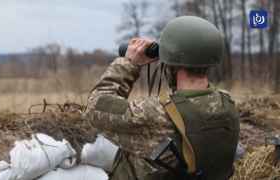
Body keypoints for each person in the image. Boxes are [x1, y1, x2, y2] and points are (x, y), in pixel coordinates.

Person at [84, 16, 240, 180]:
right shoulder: (226, 102)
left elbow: (94, 107)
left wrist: (128, 63)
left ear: (173, 63)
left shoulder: (156, 113)